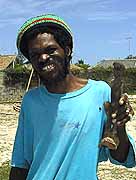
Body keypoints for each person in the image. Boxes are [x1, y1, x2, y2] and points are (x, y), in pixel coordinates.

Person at [9, 14, 136, 180]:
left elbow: (120, 156)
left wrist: (120, 126)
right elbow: (20, 164)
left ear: (67, 50)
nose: (43, 58)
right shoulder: (30, 101)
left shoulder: (99, 93)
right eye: (35, 54)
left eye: (50, 50)